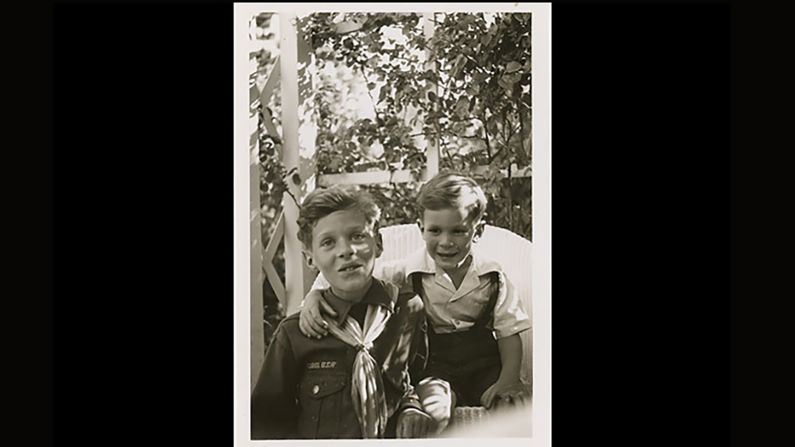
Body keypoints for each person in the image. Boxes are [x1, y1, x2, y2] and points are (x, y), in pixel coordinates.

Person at [298, 172, 531, 433]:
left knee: (514, 411)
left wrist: (508, 379)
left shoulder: (494, 276)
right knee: (433, 412)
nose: (446, 242)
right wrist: (314, 295)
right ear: (421, 228)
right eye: (435, 231)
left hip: (485, 366)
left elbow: (509, 331)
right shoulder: (406, 272)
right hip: (435, 366)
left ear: (478, 231)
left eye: (458, 231)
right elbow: (357, 277)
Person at [251, 185, 433, 439]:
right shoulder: (294, 334)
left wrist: (411, 406)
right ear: (310, 258)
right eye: (328, 242)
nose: (346, 250)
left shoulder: (407, 311)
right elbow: (266, 423)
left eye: (358, 236)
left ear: (378, 244)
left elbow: (417, 376)